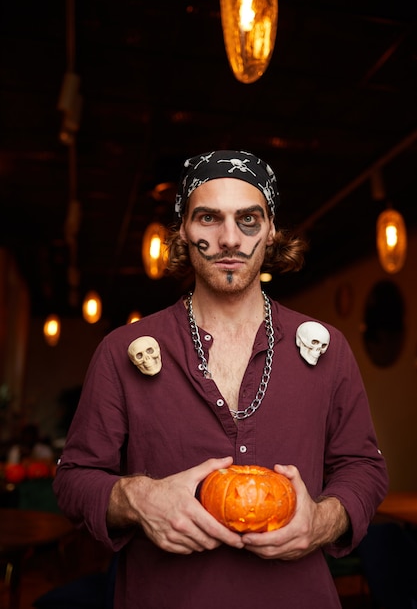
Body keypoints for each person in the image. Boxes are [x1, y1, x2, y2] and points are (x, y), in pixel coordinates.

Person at [54, 149, 389, 609]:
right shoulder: (120, 352)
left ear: (271, 232)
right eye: (208, 217)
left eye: (249, 219)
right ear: (184, 232)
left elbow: (364, 466)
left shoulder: (328, 349)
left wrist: (324, 520)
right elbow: (73, 480)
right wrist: (135, 498)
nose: (230, 238)